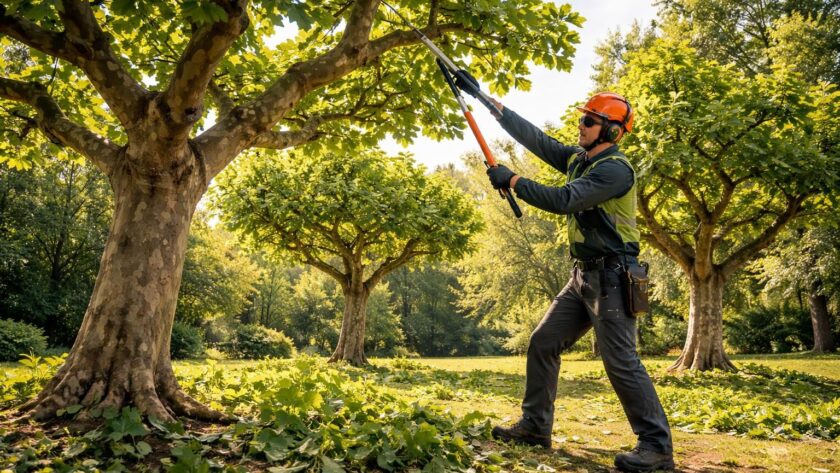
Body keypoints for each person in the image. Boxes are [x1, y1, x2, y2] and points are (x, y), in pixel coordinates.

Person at [464, 88, 674, 473]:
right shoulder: (579, 159)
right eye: (582, 118)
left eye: (589, 121)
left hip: (614, 277)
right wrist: (488, 102)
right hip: (583, 276)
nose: (581, 125)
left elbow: (563, 200)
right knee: (544, 341)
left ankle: (657, 446)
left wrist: (512, 180)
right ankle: (535, 427)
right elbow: (537, 140)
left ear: (611, 132)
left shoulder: (614, 169)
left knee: (621, 361)